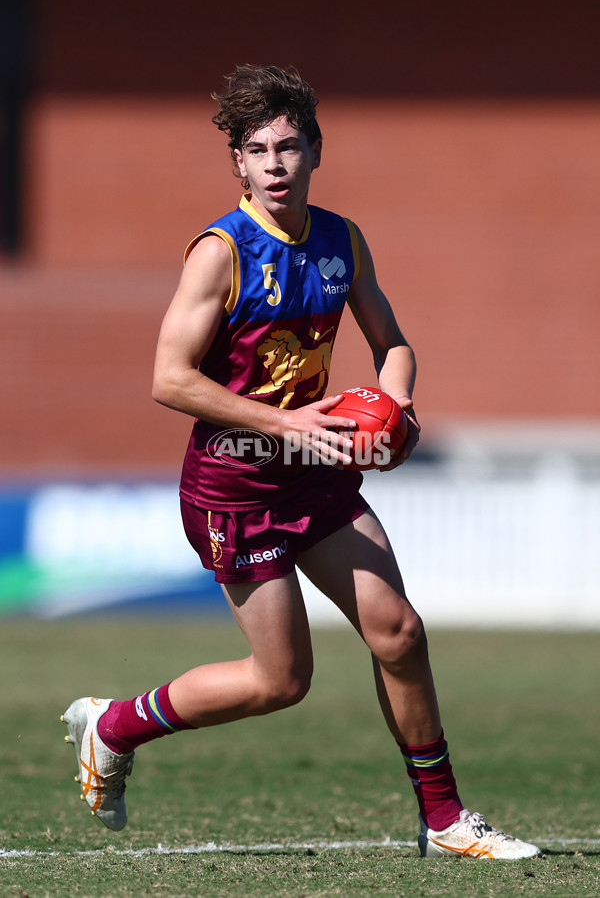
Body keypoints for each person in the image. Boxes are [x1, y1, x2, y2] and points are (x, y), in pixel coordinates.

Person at [61, 64, 541, 860]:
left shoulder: (340, 239)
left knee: (401, 632)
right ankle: (112, 725)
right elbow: (168, 380)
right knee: (280, 681)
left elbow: (392, 342)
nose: (276, 164)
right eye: (258, 150)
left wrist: (397, 405)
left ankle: (446, 820)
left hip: (313, 473)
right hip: (234, 484)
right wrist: (286, 425)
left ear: (316, 151)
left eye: (290, 146)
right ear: (239, 165)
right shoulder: (221, 253)